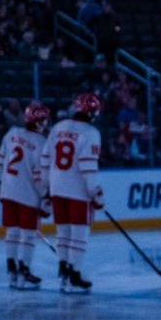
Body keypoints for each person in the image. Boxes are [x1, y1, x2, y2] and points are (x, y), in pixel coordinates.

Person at [41, 93, 105, 292]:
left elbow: (45, 159)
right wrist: (95, 192)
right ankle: (75, 273)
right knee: (79, 233)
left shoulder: (58, 127)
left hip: (57, 187)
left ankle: (63, 271)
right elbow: (87, 165)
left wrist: (45, 187)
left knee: (63, 231)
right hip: (77, 190)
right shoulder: (91, 132)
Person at [0, 101, 50, 288]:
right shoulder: (41, 143)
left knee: (12, 231)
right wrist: (45, 196)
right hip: (27, 195)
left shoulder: (11, 134)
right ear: (40, 122)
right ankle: (24, 270)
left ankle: (11, 269)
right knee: (27, 235)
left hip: (8, 191)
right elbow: (39, 177)